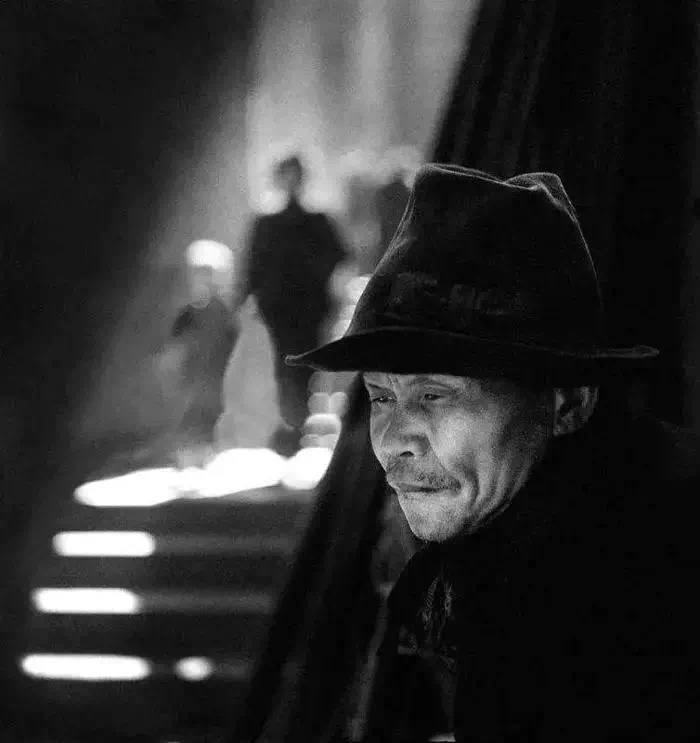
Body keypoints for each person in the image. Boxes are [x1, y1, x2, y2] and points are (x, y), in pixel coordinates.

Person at [286, 164, 700, 741]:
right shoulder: (481, 555)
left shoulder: (646, 582)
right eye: (381, 397)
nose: (395, 441)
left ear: (567, 404)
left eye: (434, 395)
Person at [243, 154, 347, 454]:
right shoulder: (266, 224)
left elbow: (338, 256)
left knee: (301, 369)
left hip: (307, 310)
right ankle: (291, 427)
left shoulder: (317, 222)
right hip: (279, 310)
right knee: (283, 369)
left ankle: (297, 427)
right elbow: (253, 267)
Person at [159, 252, 237, 467]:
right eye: (199, 273)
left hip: (217, 390)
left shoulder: (227, 315)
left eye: (208, 273)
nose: (203, 279)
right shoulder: (187, 314)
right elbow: (174, 354)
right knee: (192, 431)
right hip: (193, 390)